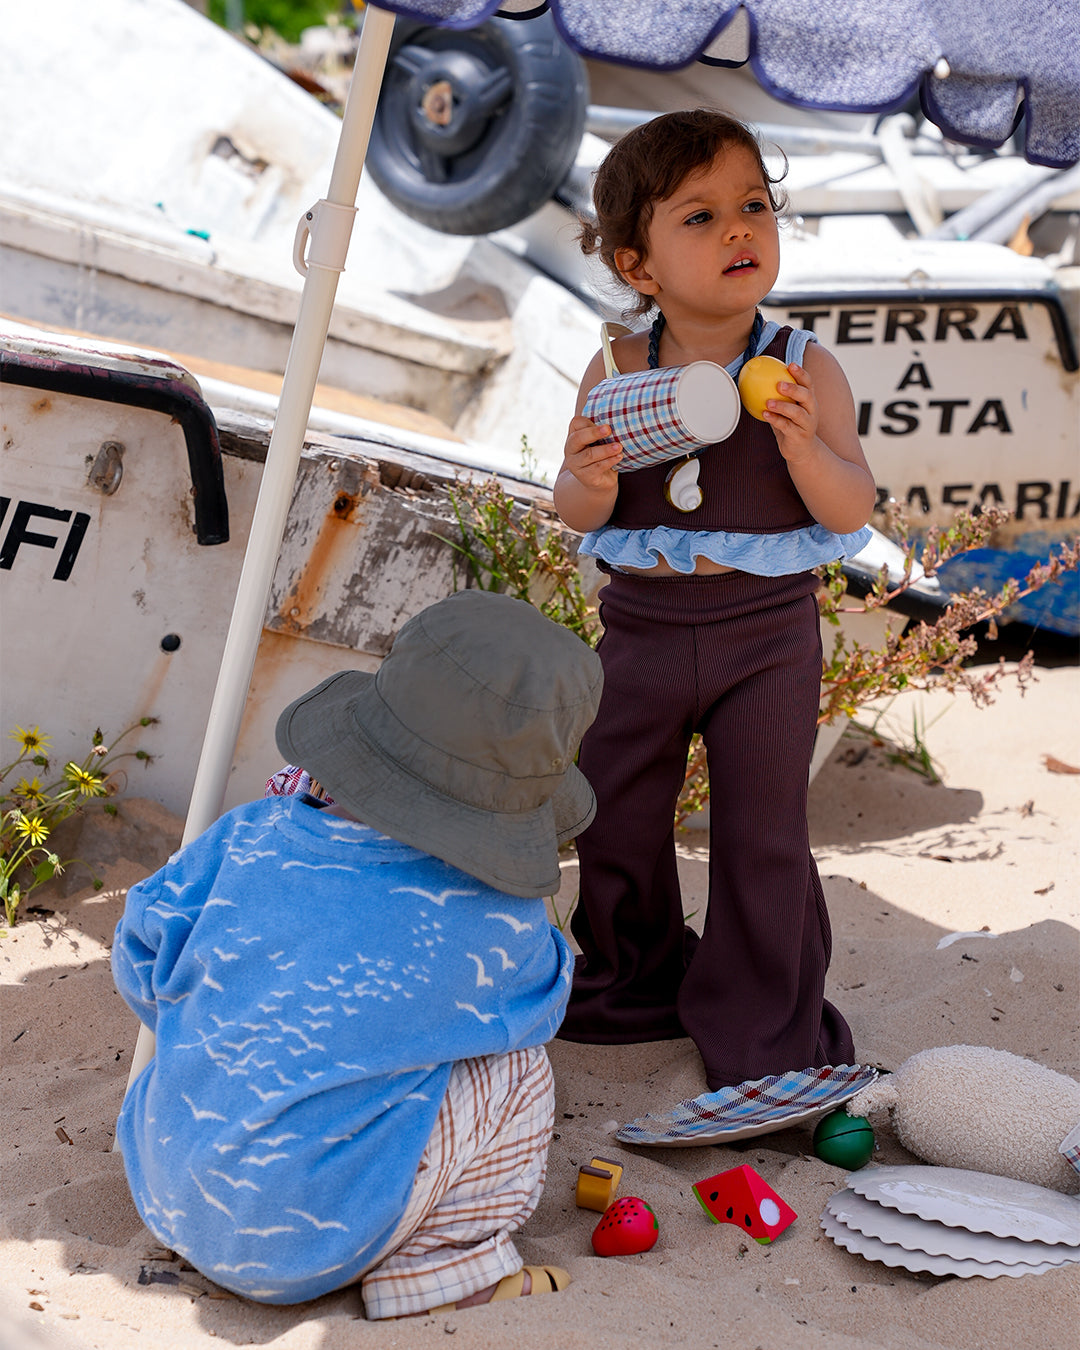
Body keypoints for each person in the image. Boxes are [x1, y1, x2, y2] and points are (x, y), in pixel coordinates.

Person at [111, 590, 603, 1318]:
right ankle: (447, 1267)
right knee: (516, 1065)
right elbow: (538, 1006)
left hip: (167, 1191)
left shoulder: (243, 837)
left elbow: (140, 953)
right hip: (319, 1246)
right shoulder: (500, 917)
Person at [552, 109, 876, 1094]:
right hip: (643, 628)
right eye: (700, 217)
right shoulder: (616, 370)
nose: (740, 229)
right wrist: (591, 480)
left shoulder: (806, 363)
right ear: (637, 265)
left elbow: (853, 503)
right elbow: (575, 509)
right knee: (614, 813)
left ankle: (765, 1024)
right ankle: (628, 981)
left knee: (762, 830)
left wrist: (804, 449)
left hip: (767, 633)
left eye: (754, 206)